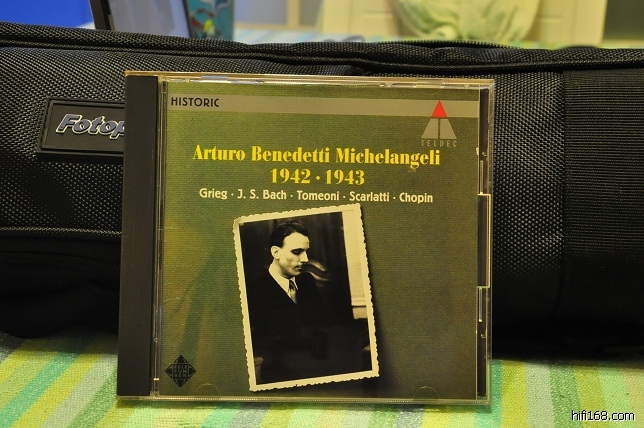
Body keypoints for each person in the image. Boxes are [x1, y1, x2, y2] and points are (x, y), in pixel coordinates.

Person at [246, 220, 328, 384]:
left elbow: (321, 327)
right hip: (277, 375)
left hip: (315, 368)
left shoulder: (307, 280)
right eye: (297, 252)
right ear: (276, 252)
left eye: (306, 252)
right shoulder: (254, 288)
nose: (305, 259)